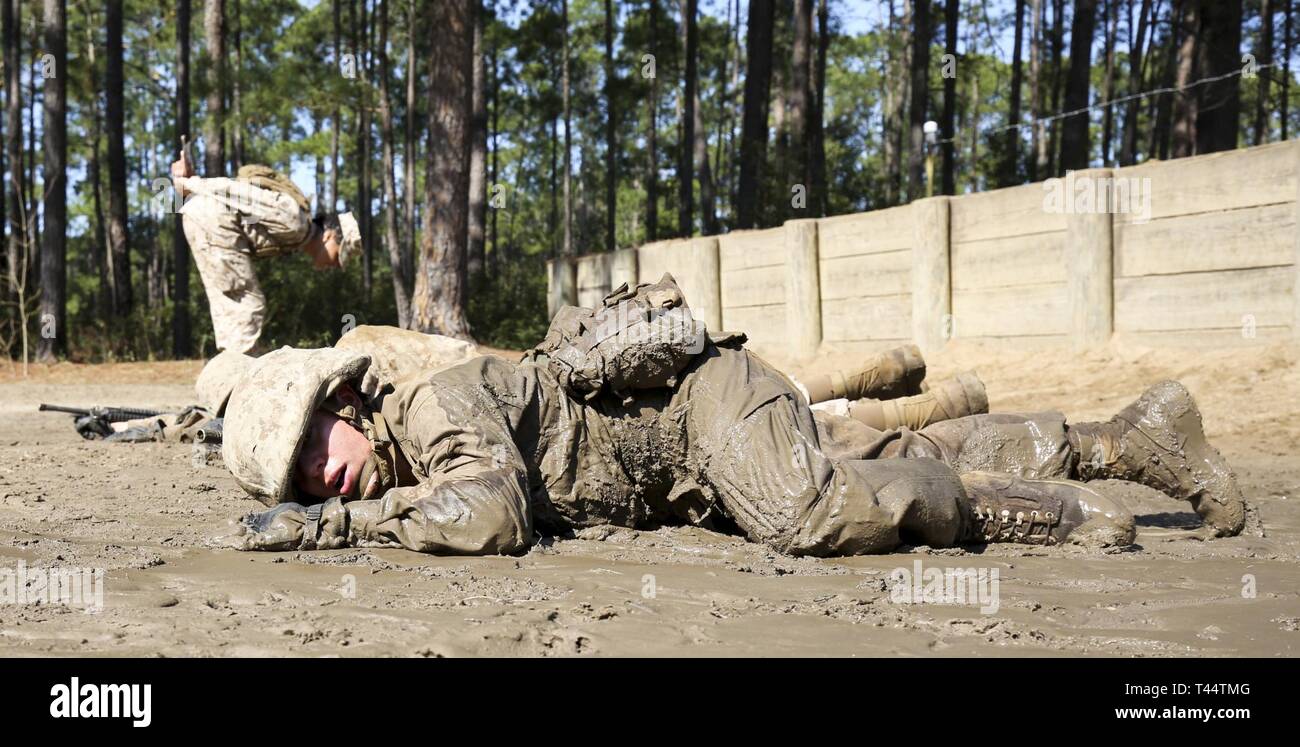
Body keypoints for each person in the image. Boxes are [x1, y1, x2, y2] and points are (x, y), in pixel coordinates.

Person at [214, 275, 1245, 556]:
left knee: (806, 512)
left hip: (700, 407)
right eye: (296, 477)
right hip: (685, 458)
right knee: (887, 450)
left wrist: (332, 526)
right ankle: (1126, 439)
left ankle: (1052, 513)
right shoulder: (400, 443)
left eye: (313, 441)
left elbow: (489, 513)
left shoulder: (430, 400)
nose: (318, 471)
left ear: (346, 396)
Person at [170, 155, 361, 354]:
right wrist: (192, 184)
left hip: (209, 223)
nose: (338, 265)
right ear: (329, 236)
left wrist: (192, 184)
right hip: (214, 223)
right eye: (340, 255)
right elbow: (241, 194)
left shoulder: (296, 238)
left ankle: (233, 360)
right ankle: (240, 366)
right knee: (249, 303)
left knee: (234, 305)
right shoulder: (295, 222)